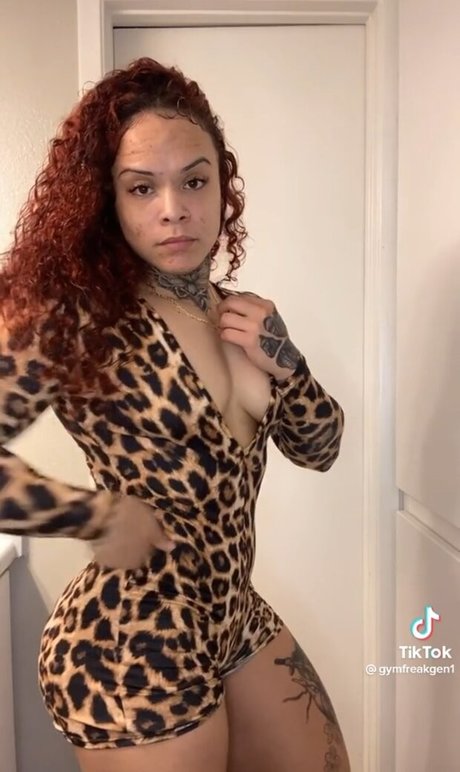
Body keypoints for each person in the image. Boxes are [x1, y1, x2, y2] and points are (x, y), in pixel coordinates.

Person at [0, 57, 349, 771]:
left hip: (232, 616)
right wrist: (94, 515)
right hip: (133, 640)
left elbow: (322, 449)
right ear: (108, 201)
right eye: (142, 187)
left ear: (224, 187)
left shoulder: (241, 315)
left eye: (194, 180)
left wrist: (289, 364)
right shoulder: (77, 318)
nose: (173, 208)